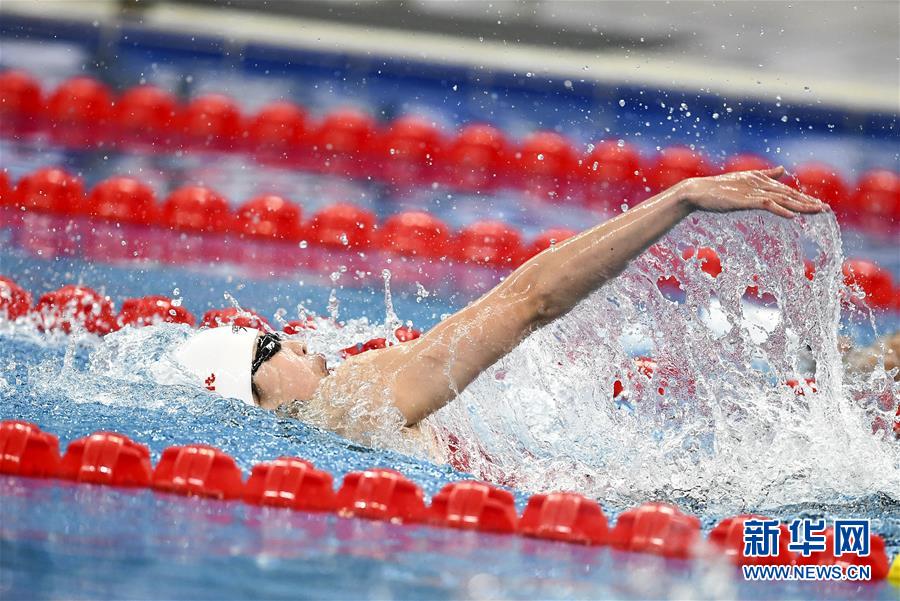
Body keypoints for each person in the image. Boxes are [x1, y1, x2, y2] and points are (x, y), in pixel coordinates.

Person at [176, 167, 827, 448]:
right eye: (271, 349)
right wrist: (678, 200)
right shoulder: (346, 399)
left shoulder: (340, 417)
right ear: (247, 396)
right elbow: (529, 302)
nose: (297, 343)